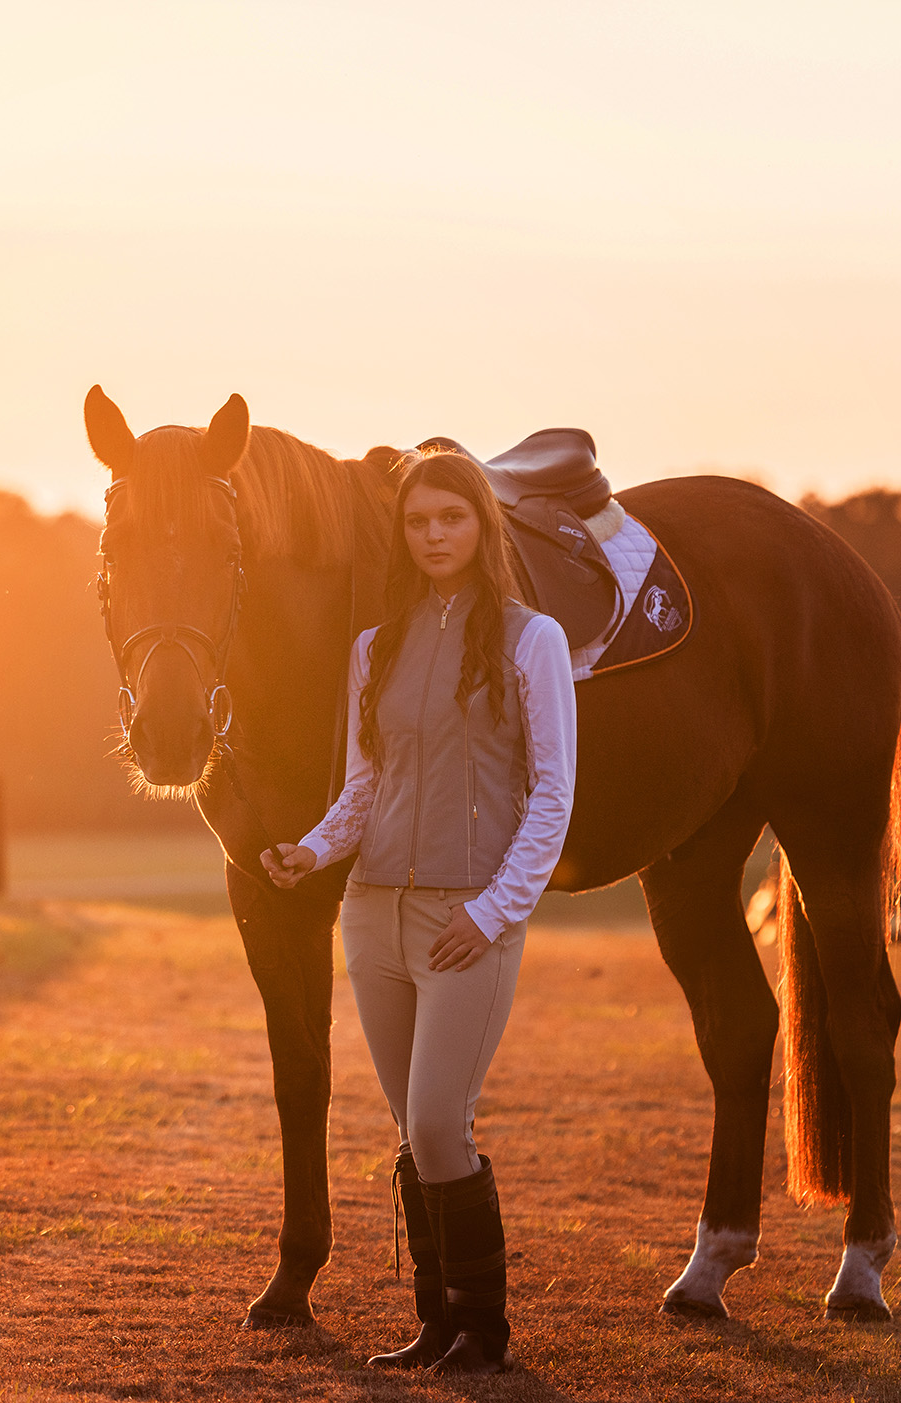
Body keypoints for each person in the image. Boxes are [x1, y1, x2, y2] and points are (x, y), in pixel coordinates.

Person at [261, 446, 577, 1376]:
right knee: (413, 1131)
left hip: (465, 917)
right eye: (416, 521)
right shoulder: (375, 646)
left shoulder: (532, 640)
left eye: (452, 517)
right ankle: (438, 1325)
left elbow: (553, 794)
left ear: (482, 525)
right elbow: (365, 790)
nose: (434, 535)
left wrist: (492, 913)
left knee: (440, 1122)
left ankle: (486, 1329)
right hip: (373, 915)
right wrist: (311, 850)